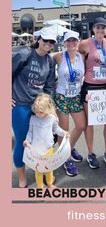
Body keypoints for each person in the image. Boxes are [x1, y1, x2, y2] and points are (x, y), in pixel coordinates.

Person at [12, 27, 57, 188]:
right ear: (38, 39)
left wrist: (49, 106)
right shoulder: (25, 54)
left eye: (52, 41)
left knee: (45, 141)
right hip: (21, 105)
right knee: (23, 141)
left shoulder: (50, 61)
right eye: (46, 40)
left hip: (40, 107)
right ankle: (22, 177)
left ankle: (45, 173)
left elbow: (50, 86)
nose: (48, 44)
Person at [79, 17, 106, 169]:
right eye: (97, 27)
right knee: (90, 122)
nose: (100, 30)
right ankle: (91, 153)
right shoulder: (85, 44)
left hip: (105, 86)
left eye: (103, 28)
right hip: (90, 87)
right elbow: (75, 59)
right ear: (93, 29)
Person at [53, 31, 86, 176]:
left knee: (80, 126)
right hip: (62, 97)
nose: (71, 43)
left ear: (78, 42)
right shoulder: (58, 57)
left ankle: (69, 148)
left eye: (74, 41)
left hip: (76, 96)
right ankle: (65, 159)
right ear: (64, 43)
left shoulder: (82, 57)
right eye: (69, 41)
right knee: (63, 130)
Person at [23, 93, 69, 189]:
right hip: (36, 150)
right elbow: (30, 132)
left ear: (47, 109)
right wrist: (27, 140)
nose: (38, 114)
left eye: (41, 112)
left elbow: (56, 129)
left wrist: (64, 133)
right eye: (36, 111)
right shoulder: (33, 118)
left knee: (49, 168)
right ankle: (40, 187)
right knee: (38, 170)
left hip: (48, 148)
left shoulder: (52, 118)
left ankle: (49, 183)